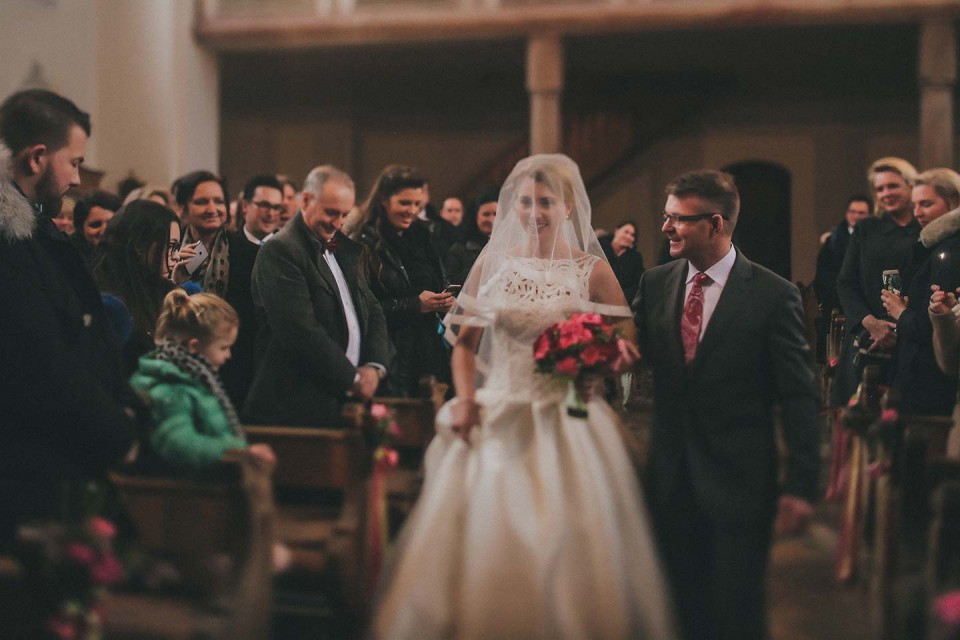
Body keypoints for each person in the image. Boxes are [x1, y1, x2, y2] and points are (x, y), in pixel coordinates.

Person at [371, 154, 675, 639]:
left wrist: (599, 364)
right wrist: (466, 398)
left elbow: (626, 338)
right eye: (528, 202)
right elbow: (464, 348)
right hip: (500, 406)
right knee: (490, 531)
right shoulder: (495, 264)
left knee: (569, 535)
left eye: (547, 202)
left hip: (567, 414)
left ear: (569, 207)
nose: (535, 212)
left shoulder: (590, 270)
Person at [632, 169, 819, 640]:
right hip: (671, 476)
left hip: (741, 479)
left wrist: (800, 485)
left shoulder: (774, 295)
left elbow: (798, 395)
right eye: (665, 216)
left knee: (737, 612)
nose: (666, 227)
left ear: (715, 224)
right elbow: (631, 353)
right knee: (680, 608)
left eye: (678, 218)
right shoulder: (655, 284)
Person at [0, 89, 137, 546]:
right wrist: (120, 434)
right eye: (74, 162)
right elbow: (43, 366)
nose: (78, 179)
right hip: (32, 477)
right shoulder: (12, 246)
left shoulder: (31, 234)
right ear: (37, 157)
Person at [243, 165, 389, 426]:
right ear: (307, 200)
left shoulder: (345, 249)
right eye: (332, 212)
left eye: (344, 214)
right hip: (295, 402)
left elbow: (373, 310)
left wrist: (374, 367)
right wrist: (354, 379)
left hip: (341, 399)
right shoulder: (281, 251)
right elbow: (299, 330)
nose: (338, 223)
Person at [130, 290, 275, 470]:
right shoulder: (171, 387)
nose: (228, 355)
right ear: (195, 346)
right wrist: (237, 451)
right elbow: (179, 444)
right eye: (223, 348)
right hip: (187, 488)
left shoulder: (194, 378)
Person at [354, 165, 453, 397]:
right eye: (404, 203)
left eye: (417, 204)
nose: (412, 211)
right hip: (391, 350)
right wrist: (414, 305)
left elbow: (437, 279)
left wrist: (445, 299)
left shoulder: (423, 235)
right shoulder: (364, 242)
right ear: (384, 201)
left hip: (428, 346)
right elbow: (363, 309)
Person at [834, 157, 920, 405]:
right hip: (868, 336)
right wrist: (871, 323)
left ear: (910, 185)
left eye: (893, 186)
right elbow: (845, 282)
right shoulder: (867, 228)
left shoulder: (926, 228)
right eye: (880, 189)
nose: (885, 193)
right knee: (859, 421)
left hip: (912, 336)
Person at [881, 168, 960, 416]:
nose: (917, 213)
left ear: (954, 202)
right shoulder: (936, 244)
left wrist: (901, 314)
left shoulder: (950, 249)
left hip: (932, 377)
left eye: (926, 204)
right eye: (915, 204)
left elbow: (934, 326)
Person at [93, 199, 181, 374]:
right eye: (171, 247)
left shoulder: (162, 289)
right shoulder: (108, 303)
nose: (176, 256)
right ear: (140, 245)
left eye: (177, 247)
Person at [220, 174, 284, 405]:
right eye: (264, 205)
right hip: (235, 356)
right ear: (245, 206)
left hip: (275, 360)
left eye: (277, 207)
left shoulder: (288, 251)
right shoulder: (223, 246)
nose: (271, 214)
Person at [812, 194, 872, 362]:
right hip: (836, 301)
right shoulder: (834, 240)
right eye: (852, 212)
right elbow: (823, 274)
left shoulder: (873, 239)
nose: (856, 216)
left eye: (861, 213)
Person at [173, 170, 231, 297]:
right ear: (182, 208)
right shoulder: (170, 250)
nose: (212, 209)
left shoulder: (246, 252)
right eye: (202, 202)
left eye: (219, 201)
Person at [445, 186, 498, 285]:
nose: (492, 220)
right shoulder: (459, 249)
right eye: (486, 214)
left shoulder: (510, 246)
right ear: (475, 217)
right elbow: (451, 283)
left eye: (496, 214)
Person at [70, 189, 122, 268]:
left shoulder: (124, 254)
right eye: (95, 225)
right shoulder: (70, 256)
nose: (104, 230)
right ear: (80, 228)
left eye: (110, 223)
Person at [599, 219, 645, 303]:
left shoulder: (635, 258)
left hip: (621, 303)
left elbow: (636, 285)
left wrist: (620, 299)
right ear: (616, 230)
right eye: (626, 232)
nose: (628, 236)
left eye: (632, 235)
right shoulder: (599, 247)